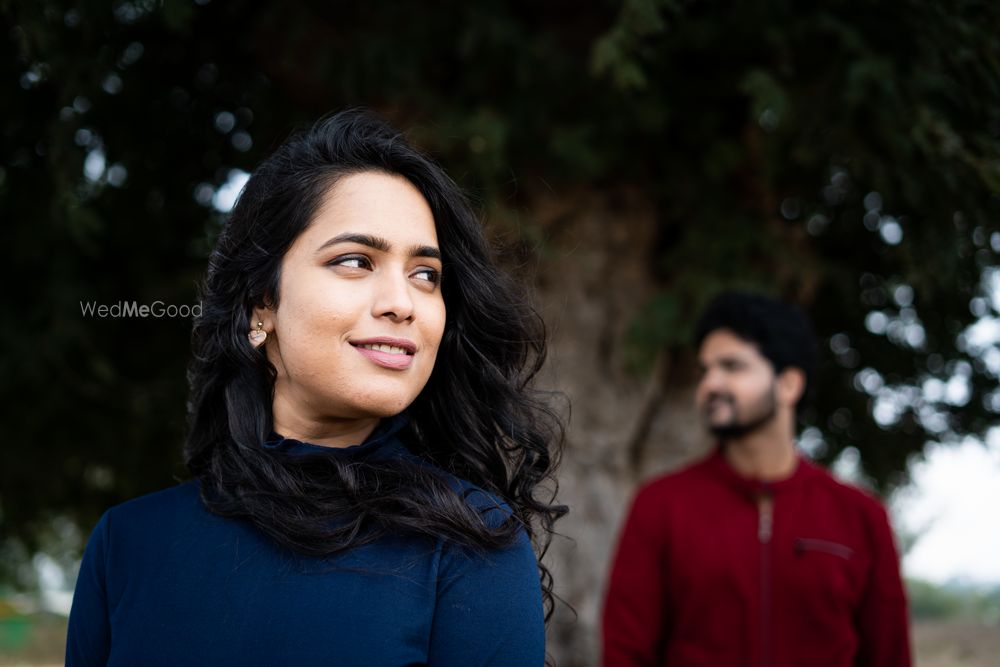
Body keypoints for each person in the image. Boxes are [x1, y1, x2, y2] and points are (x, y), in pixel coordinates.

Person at [66, 110, 566, 666]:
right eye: (356, 261)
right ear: (262, 304)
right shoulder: (129, 545)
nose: (402, 303)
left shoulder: (473, 545)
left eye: (426, 275)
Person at [602, 292, 911, 666]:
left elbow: (889, 656)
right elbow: (624, 654)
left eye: (732, 366)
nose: (710, 384)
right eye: (705, 370)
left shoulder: (861, 516)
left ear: (788, 385)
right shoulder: (660, 505)